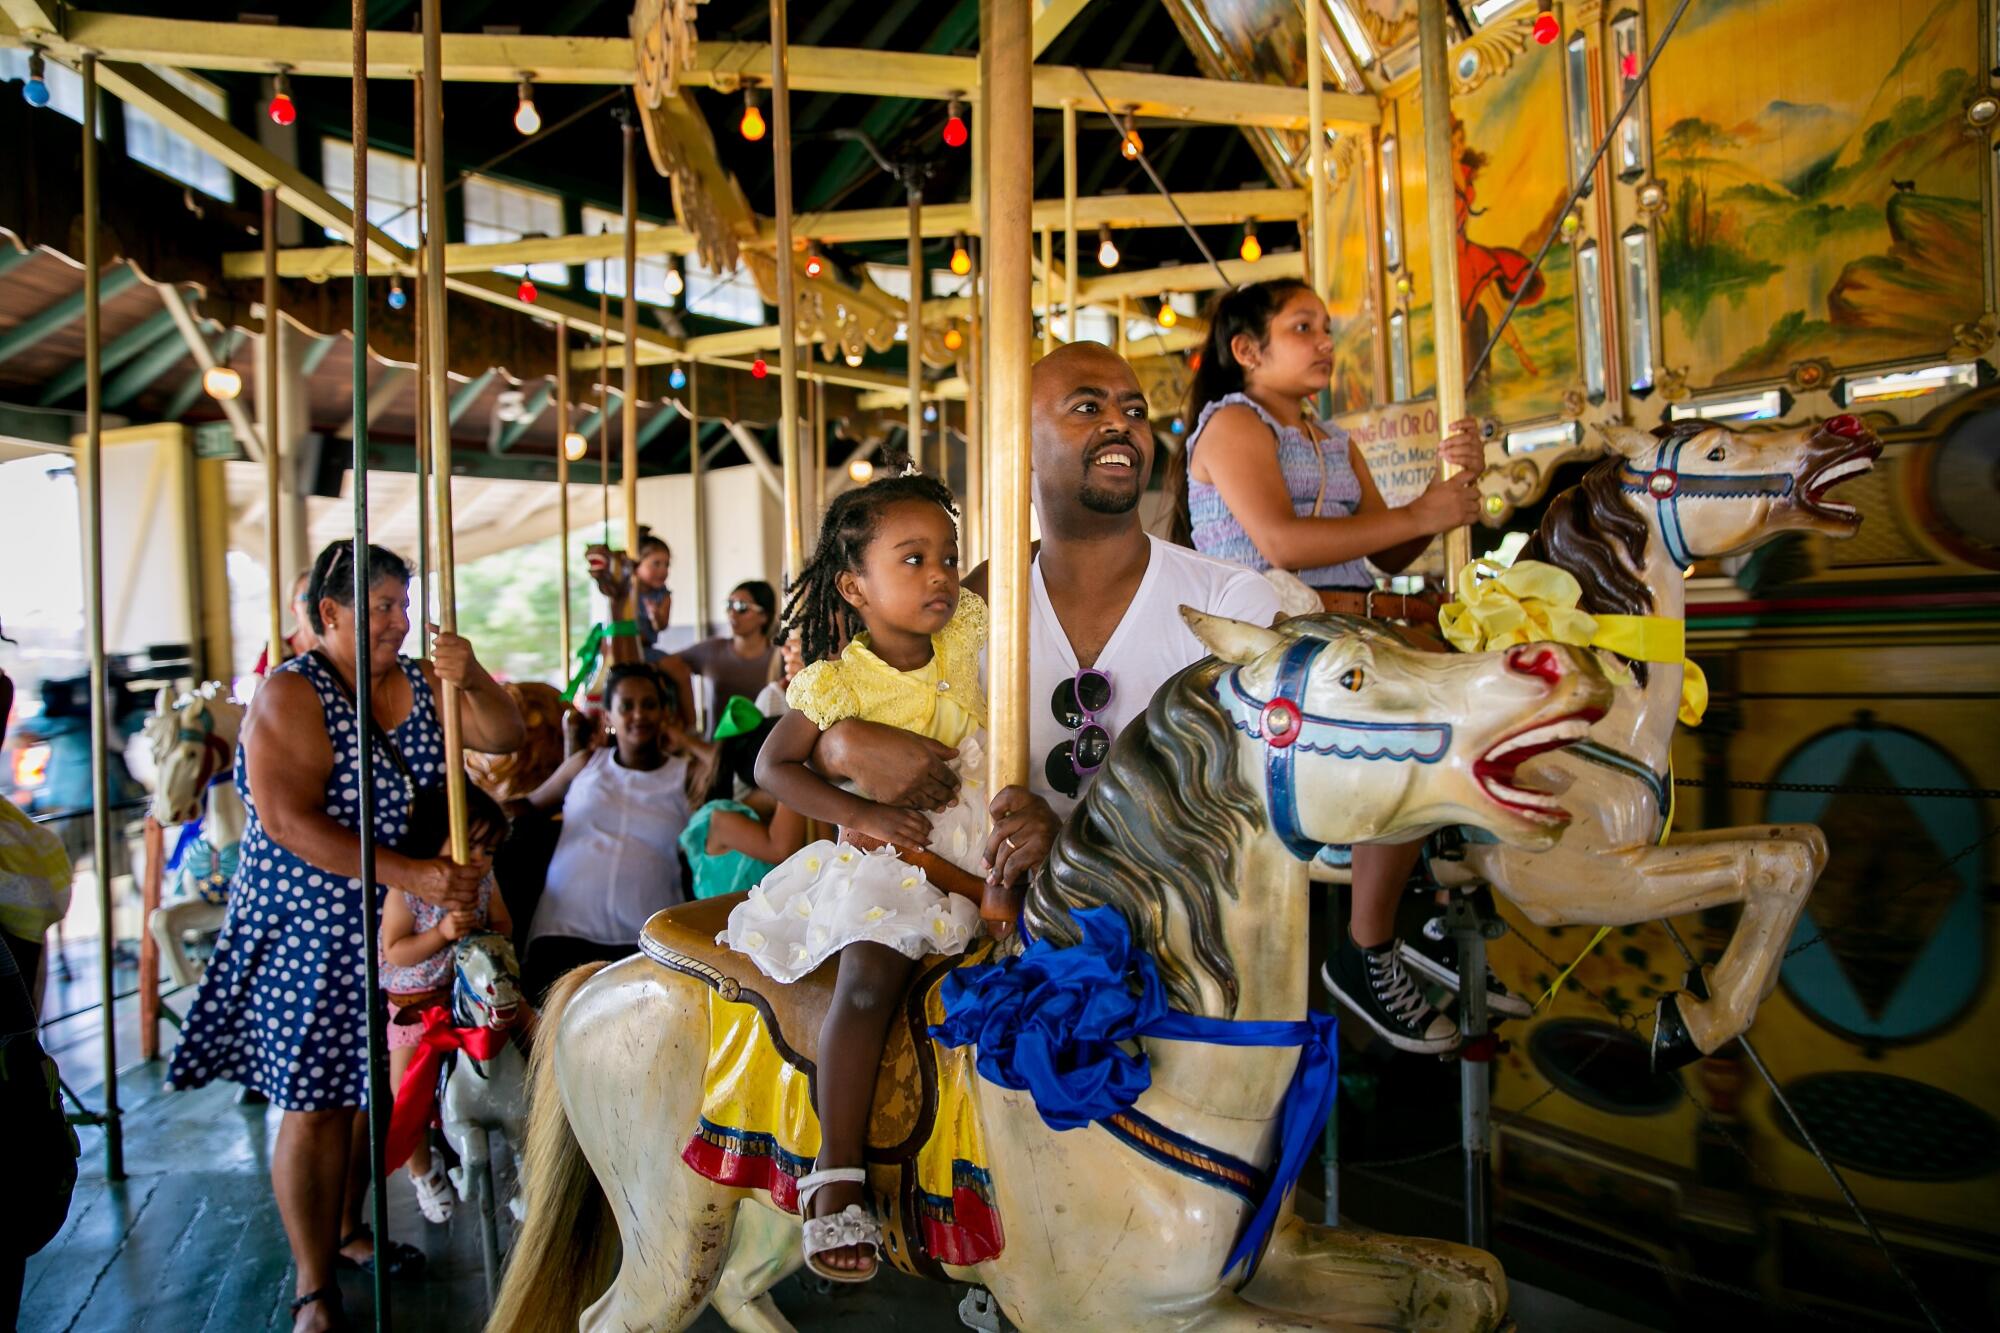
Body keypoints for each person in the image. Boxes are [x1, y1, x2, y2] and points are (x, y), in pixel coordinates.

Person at [166, 539, 524, 1333]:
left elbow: (502, 738)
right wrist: (417, 874)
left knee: (375, 1093)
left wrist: (472, 672)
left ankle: (352, 1227)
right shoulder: (293, 695)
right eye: (382, 607)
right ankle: (311, 1281)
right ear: (329, 614)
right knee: (317, 1100)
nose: (400, 620)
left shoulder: (424, 682)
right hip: (313, 918)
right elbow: (292, 823)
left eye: (403, 603)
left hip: (396, 914)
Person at [1174, 277, 1484, 1054]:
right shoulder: (1231, 427)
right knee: (1410, 716)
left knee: (1479, 684)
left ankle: (1443, 886)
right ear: (1248, 351)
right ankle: (1368, 947)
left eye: (1325, 326)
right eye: (1302, 327)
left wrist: (1443, 502)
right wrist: (1418, 515)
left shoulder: (1333, 439)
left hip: (1349, 627)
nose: (1323, 341)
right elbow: (1280, 541)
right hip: (1272, 634)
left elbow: (1385, 548)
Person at [717, 473, 990, 1284]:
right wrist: (857, 813)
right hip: (891, 856)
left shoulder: (972, 628)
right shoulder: (841, 680)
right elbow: (773, 764)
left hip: (983, 839)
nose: (940, 573)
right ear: (854, 586)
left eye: (946, 555)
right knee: (872, 973)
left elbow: (1022, 557)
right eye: (913, 559)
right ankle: (835, 1169)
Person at [520, 662, 709, 1005]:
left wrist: (685, 739)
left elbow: (723, 772)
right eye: (627, 706)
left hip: (642, 941)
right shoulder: (585, 764)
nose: (639, 715)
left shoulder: (684, 775)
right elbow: (527, 807)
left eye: (649, 705)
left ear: (664, 711)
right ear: (608, 716)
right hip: (563, 933)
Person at [379, 782, 513, 1226]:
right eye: (469, 845)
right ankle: (422, 1172)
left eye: (489, 850)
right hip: (417, 1003)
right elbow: (395, 950)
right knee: (406, 1091)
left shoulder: (483, 881)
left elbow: (504, 924)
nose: (480, 859)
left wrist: (482, 927)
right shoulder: (407, 889)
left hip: (465, 996)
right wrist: (441, 934)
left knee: (522, 1039)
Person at [670, 580, 777, 733]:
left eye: (741, 607)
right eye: (729, 605)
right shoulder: (712, 650)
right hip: (715, 752)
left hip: (761, 752)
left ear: (764, 616)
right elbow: (668, 665)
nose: (732, 613)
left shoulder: (780, 658)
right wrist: (690, 723)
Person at [253, 570, 322, 676]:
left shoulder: (338, 649)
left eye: (319, 596)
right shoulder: (277, 650)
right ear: (293, 607)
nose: (314, 603)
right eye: (306, 597)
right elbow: (257, 688)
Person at [633, 533, 673, 665]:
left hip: (645, 650)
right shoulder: (627, 592)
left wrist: (655, 615)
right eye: (656, 564)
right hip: (623, 648)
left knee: (677, 667)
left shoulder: (663, 595)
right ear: (637, 566)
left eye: (667, 565)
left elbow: (661, 626)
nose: (663, 571)